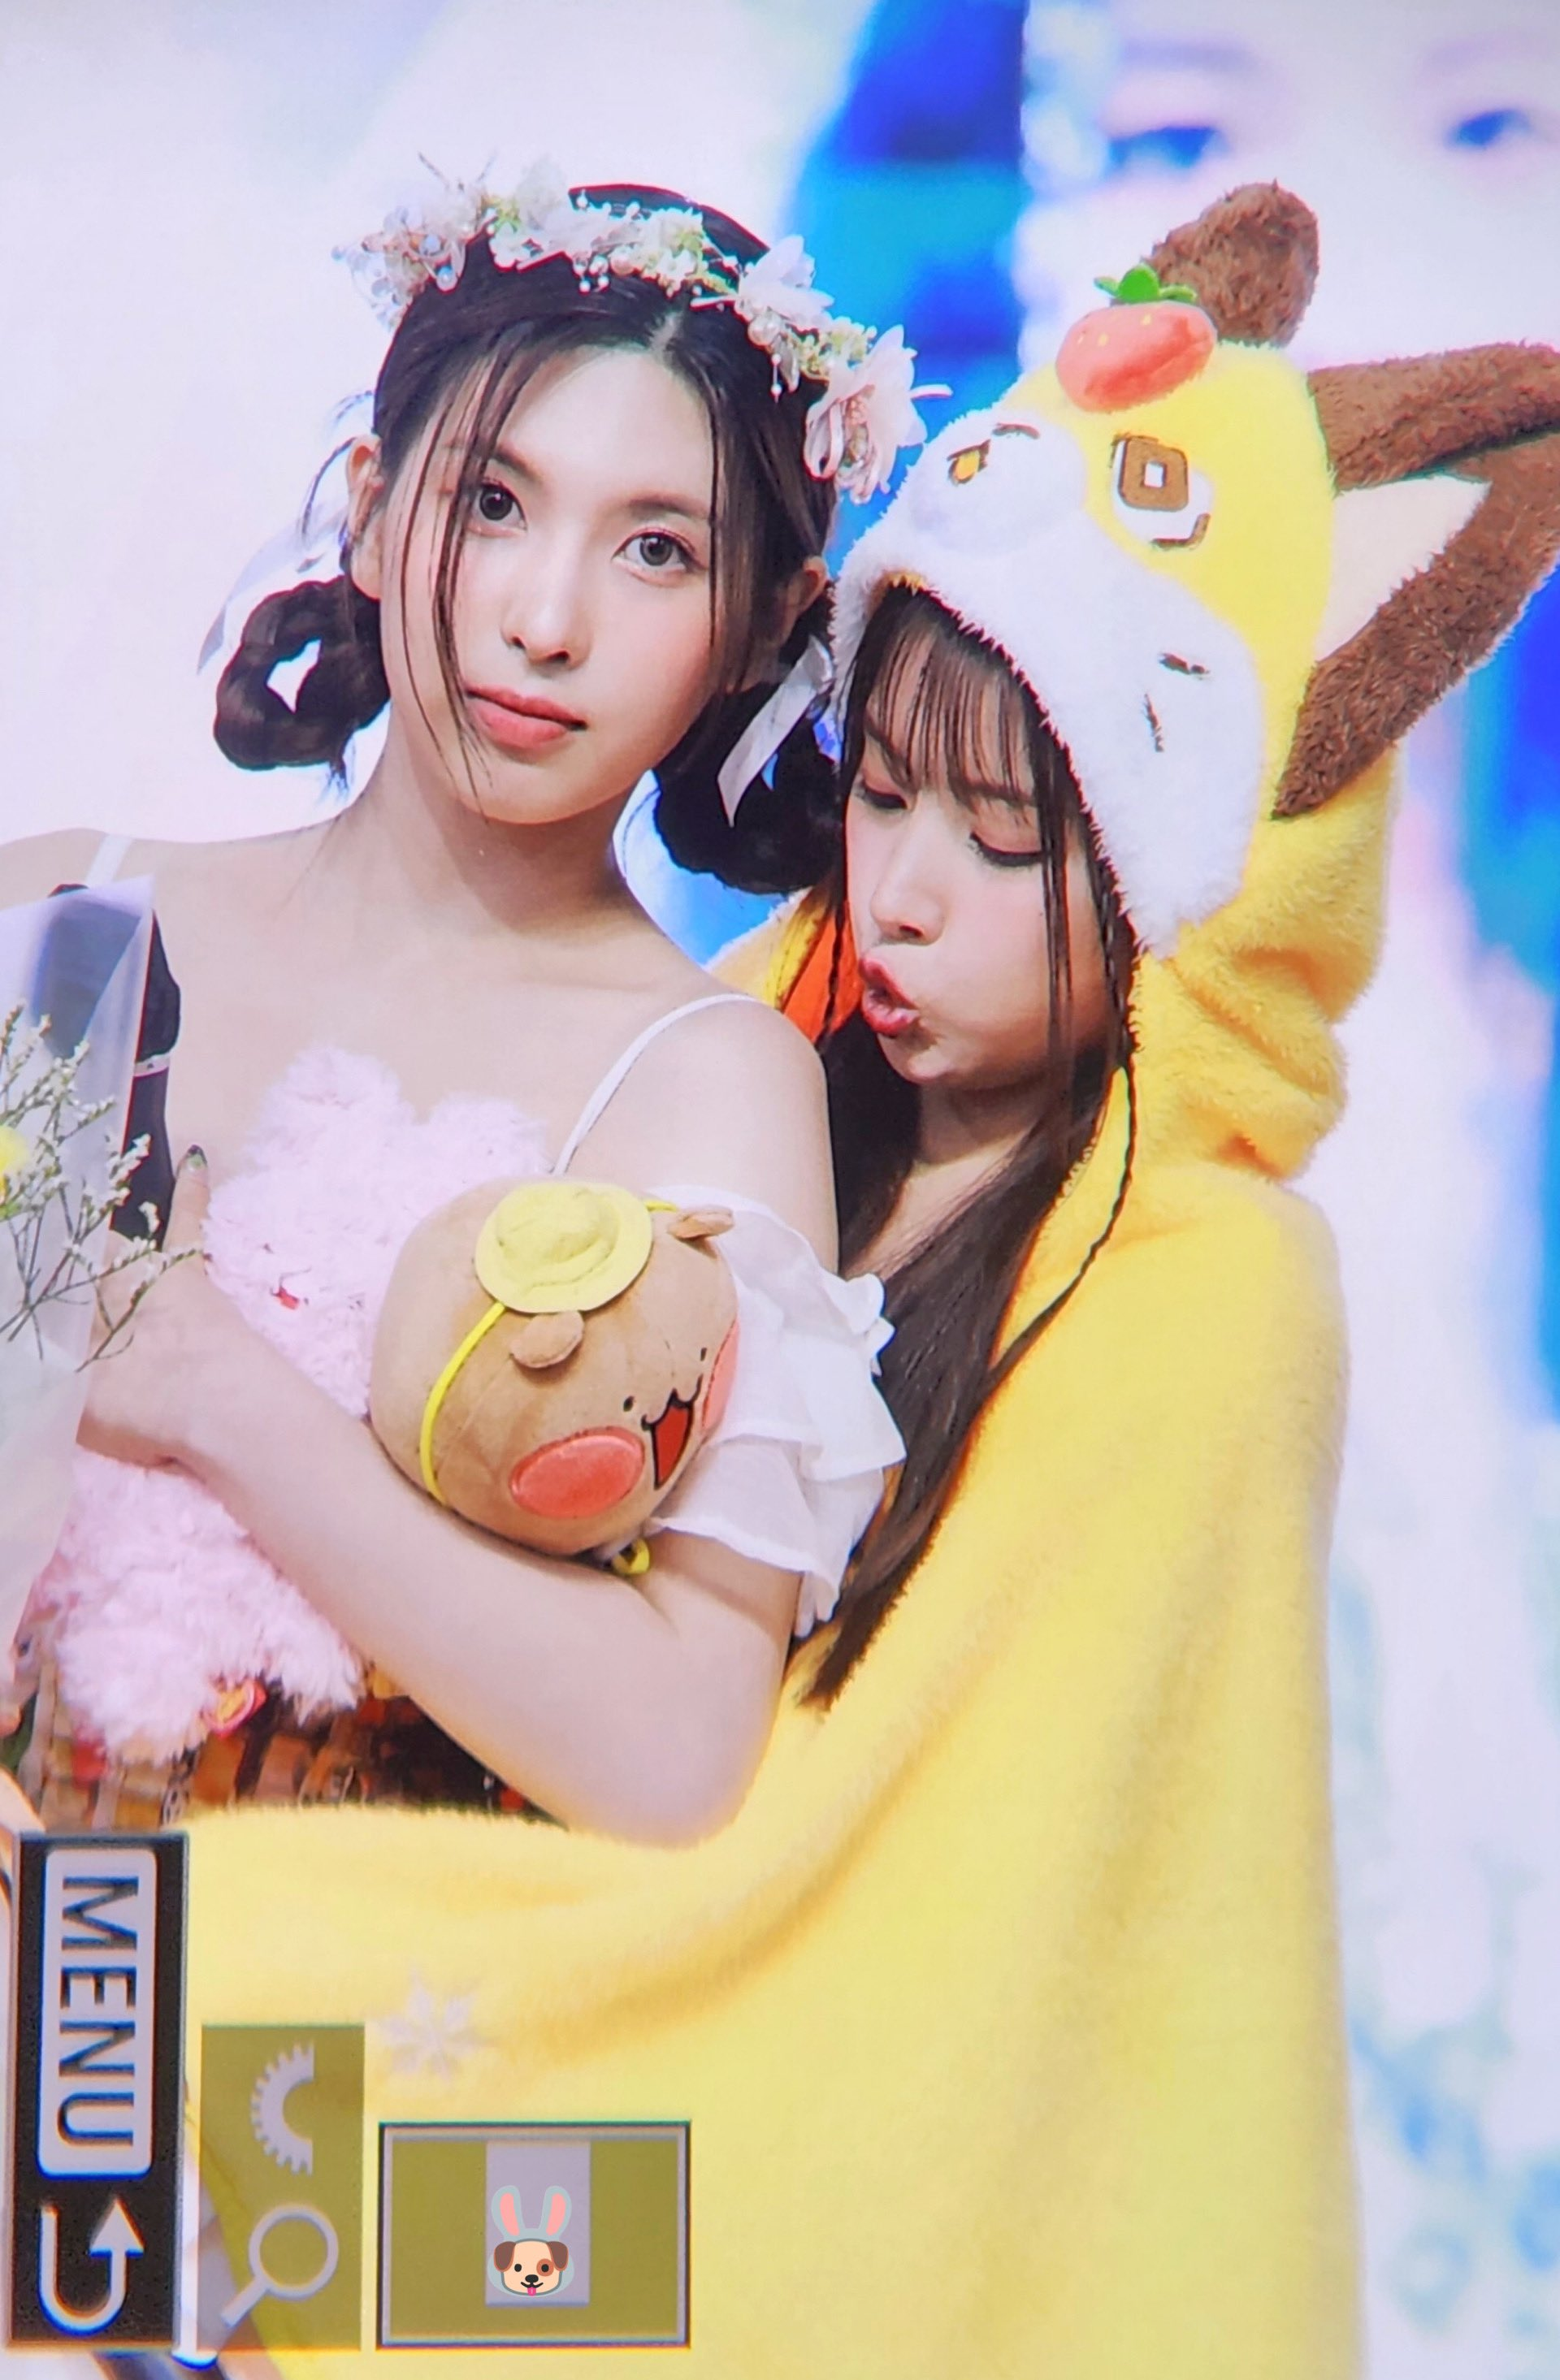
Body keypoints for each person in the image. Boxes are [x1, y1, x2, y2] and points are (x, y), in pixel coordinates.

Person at [154, 187, 1560, 2377]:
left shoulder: (1205, 1297)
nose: (903, 896)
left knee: (171, 2110)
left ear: (1194, 882)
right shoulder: (769, 1061)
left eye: (1007, 843)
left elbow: (927, 1890)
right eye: (887, 795)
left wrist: (238, 1945)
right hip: (547, 2027)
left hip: (803, 2152)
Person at [0, 170, 919, 1846]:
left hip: (325, 1983)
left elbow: (675, 1754)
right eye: (494, 501)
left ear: (763, 627)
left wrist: (216, 1395)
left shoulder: (703, 1082)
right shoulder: (55, 920)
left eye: (656, 549)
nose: (544, 620)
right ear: (371, 506)